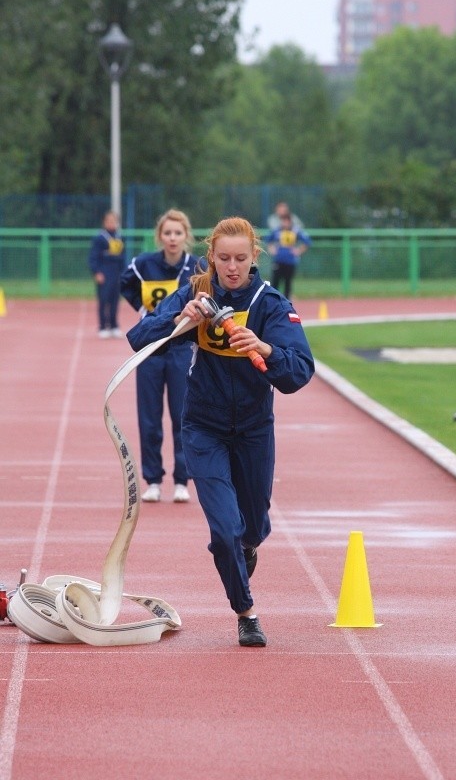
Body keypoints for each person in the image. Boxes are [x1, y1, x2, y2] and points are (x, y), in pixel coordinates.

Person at [126, 217, 315, 647]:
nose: (232, 267)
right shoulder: (197, 292)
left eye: (241, 259)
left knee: (251, 527)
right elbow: (139, 337)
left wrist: (264, 347)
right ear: (211, 256)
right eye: (224, 258)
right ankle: (246, 612)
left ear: (254, 258)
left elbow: (300, 370)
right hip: (203, 427)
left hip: (253, 430)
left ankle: (247, 548)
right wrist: (180, 318)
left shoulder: (270, 303)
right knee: (225, 529)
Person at [120, 209, 199, 504]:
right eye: (167, 233)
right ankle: (152, 479)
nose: (173, 238)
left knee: (182, 415)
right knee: (149, 417)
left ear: (186, 235)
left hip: (181, 348)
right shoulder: (143, 264)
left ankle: (182, 479)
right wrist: (143, 311)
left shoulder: (196, 267)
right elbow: (125, 283)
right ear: (160, 236)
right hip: (152, 349)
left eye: (178, 233)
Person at [88, 210, 126, 338]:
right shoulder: (100, 238)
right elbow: (93, 257)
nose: (112, 223)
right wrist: (97, 272)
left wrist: (123, 273)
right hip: (104, 272)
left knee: (115, 300)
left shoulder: (119, 237)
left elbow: (122, 257)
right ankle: (103, 326)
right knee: (104, 300)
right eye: (109, 221)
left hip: (117, 272)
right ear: (104, 222)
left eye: (114, 221)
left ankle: (114, 325)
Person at [266, 210, 312, 301]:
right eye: (283, 220)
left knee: (288, 284)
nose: (285, 223)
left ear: (290, 221)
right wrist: (272, 249)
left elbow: (307, 242)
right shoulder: (277, 231)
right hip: (278, 260)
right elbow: (268, 240)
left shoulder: (296, 231)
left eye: (287, 221)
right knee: (275, 283)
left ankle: (286, 303)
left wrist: (298, 250)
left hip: (290, 261)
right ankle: (273, 302)